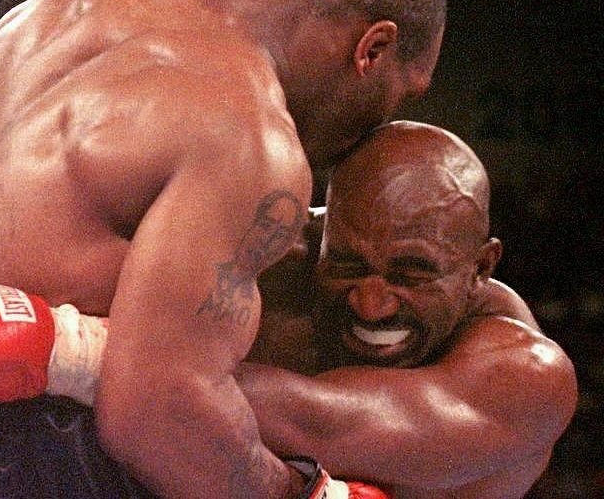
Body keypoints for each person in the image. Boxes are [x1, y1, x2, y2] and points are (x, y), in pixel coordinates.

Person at [0, 0, 445, 498]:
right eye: (399, 97)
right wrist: (307, 492)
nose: (375, 130)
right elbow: (156, 418)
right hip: (44, 468)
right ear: (373, 49)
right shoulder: (253, 139)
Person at [239, 120, 578, 498]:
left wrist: (193, 375)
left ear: (481, 267)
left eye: (410, 275)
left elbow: (321, 428)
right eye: (348, 266)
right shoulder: (266, 258)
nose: (371, 306)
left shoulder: (527, 376)